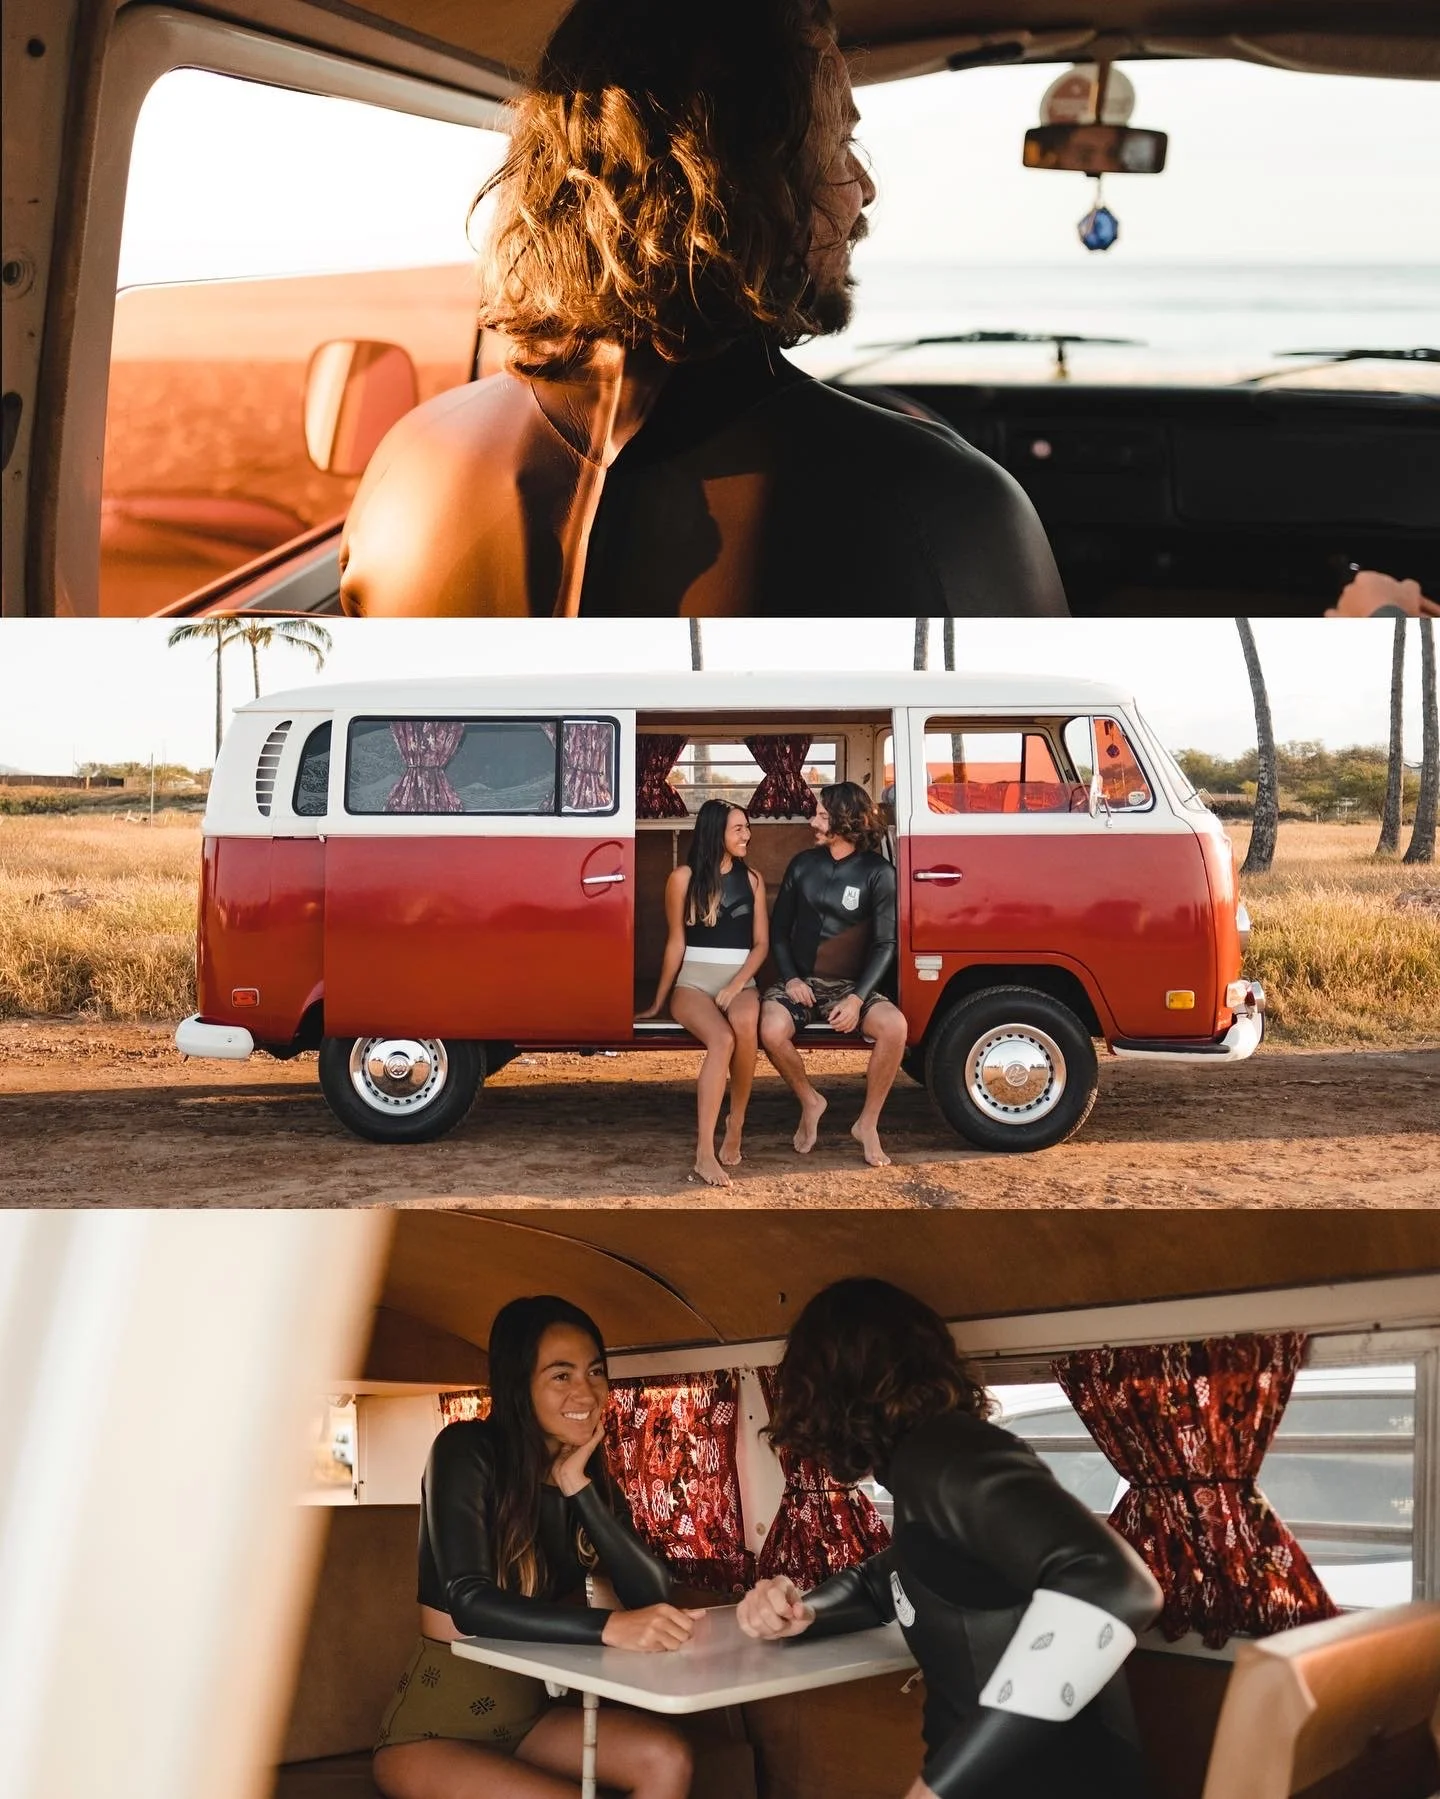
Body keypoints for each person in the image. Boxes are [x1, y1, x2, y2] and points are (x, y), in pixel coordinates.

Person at [337, 0, 1066, 620]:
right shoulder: (948, 510)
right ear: (748, 176)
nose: (863, 188)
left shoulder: (405, 462)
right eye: (841, 142)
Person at [737, 1279, 1162, 1799]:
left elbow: (1116, 1585)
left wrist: (937, 1787)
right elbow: (883, 1582)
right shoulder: (923, 1468)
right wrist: (800, 1612)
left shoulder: (948, 1457)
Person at [373, 1295, 698, 1799]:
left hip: (527, 1723)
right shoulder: (465, 1450)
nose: (586, 1392)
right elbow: (469, 1600)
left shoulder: (588, 1479)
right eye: (561, 1376)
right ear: (519, 1385)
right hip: (432, 1733)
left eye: (595, 1372)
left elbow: (650, 1594)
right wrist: (610, 1628)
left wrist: (577, 1486)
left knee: (666, 1758)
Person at [760, 781, 904, 1167]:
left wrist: (858, 999)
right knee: (771, 1030)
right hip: (801, 983)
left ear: (844, 820)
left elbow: (885, 944)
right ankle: (811, 1101)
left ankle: (867, 1123)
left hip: (851, 988)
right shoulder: (803, 864)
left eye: (822, 815)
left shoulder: (879, 873)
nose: (812, 821)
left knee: (895, 1027)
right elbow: (779, 930)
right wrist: (790, 978)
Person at [636, 799, 769, 1187]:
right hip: (692, 982)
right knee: (722, 1039)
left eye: (747, 827)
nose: (747, 835)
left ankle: (737, 1120)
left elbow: (761, 944)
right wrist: (659, 1001)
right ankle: (704, 1153)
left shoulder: (754, 880)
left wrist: (734, 985)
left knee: (745, 1023)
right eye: (738, 829)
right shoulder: (682, 877)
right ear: (717, 833)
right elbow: (676, 942)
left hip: (740, 980)